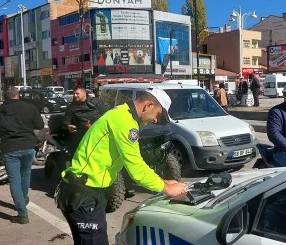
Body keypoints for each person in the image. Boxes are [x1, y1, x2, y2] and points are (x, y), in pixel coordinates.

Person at [57, 88, 188, 244]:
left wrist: (165, 182)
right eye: (158, 115)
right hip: (83, 193)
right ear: (148, 106)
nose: (155, 120)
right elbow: (136, 169)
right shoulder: (125, 121)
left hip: (89, 190)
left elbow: (136, 161)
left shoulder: (123, 114)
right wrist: (166, 188)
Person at [0, 86, 44, 224]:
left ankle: (22, 213)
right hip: (28, 145)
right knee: (25, 175)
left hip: (10, 147)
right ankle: (23, 199)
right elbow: (39, 124)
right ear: (18, 95)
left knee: (14, 179)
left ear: (5, 96)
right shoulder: (29, 107)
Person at [64, 86, 108, 155]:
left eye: (77, 93)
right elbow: (66, 120)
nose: (75, 95)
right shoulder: (72, 107)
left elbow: (106, 114)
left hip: (98, 133)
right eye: (74, 94)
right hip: (81, 135)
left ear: (84, 94)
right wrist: (68, 126)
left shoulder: (96, 102)